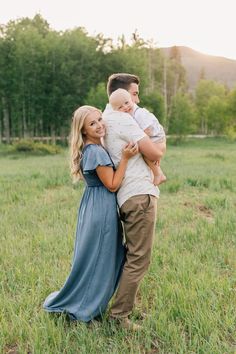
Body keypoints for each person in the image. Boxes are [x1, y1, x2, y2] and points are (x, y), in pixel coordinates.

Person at [43, 105, 138, 322]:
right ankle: (87, 306)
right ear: (83, 130)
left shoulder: (92, 148)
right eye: (92, 124)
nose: (99, 125)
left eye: (100, 119)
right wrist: (125, 158)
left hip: (93, 205)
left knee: (92, 257)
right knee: (100, 258)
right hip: (101, 210)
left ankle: (86, 299)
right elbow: (113, 184)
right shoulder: (94, 151)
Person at [103, 73, 166, 330]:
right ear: (121, 95)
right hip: (139, 194)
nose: (136, 101)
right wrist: (159, 140)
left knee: (132, 256)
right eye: (134, 95)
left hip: (127, 196)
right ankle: (119, 317)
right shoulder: (124, 120)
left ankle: (125, 307)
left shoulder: (105, 119)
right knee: (139, 258)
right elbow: (156, 151)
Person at [109, 88, 166, 185]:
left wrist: (143, 145)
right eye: (120, 107)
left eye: (127, 103)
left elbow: (147, 130)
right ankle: (157, 173)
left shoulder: (139, 113)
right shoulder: (129, 114)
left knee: (145, 153)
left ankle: (158, 174)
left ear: (131, 100)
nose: (126, 107)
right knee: (145, 152)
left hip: (156, 138)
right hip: (154, 138)